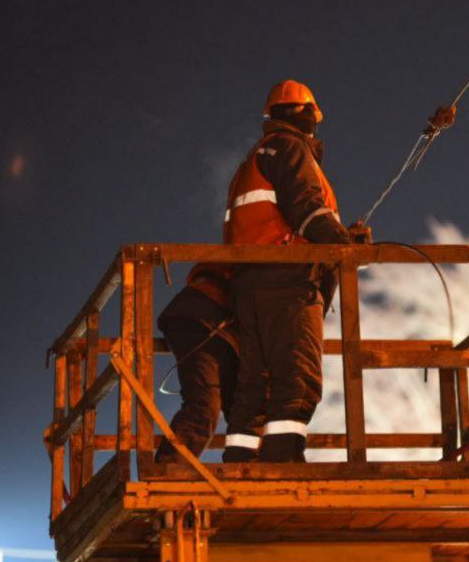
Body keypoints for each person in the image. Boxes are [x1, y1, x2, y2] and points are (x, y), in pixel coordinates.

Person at [220, 79, 368, 463]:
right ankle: (284, 467)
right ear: (307, 115)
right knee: (296, 380)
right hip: (287, 282)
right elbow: (307, 209)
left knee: (256, 384)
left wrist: (339, 240)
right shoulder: (290, 149)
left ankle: (240, 467)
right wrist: (344, 245)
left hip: (249, 285)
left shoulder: (252, 161)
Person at [154, 263, 238, 463]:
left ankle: (244, 466)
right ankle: (169, 469)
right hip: (202, 320)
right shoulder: (249, 272)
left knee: (238, 407)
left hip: (214, 325)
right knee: (205, 406)